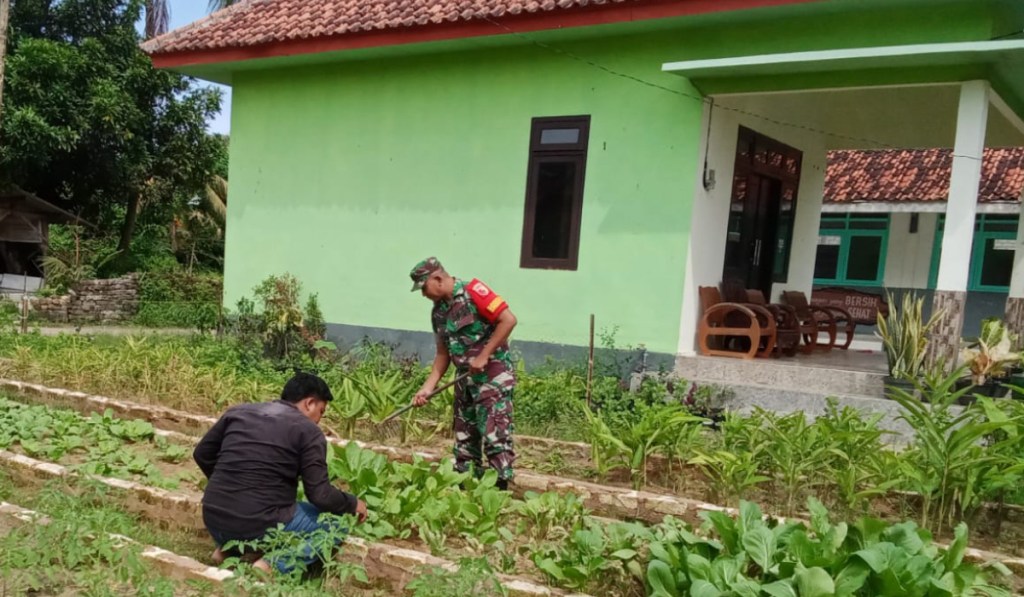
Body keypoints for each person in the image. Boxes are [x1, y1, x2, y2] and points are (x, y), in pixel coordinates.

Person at [193, 372, 367, 574]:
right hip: (258, 523)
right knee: (334, 524)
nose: (319, 420)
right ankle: (269, 566)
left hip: (214, 516)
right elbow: (321, 495)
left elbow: (201, 454)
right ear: (309, 403)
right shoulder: (307, 431)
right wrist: (353, 503)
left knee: (268, 510)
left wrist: (231, 484)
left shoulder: (238, 413)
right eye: (321, 412)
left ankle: (226, 552)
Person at [409, 256, 518, 490]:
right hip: (464, 381)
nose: (423, 294)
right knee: (464, 439)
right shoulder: (438, 313)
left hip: (492, 378)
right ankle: (466, 486)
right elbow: (442, 355)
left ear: (437, 278)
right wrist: (427, 388)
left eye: (423, 288)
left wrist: (484, 354)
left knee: (494, 434)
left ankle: (500, 490)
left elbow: (508, 320)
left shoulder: (474, 292)